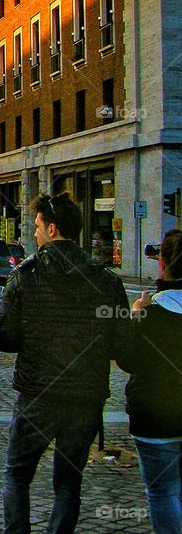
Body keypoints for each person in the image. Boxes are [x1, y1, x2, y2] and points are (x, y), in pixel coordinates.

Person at [0, 192, 131, 534]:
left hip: (38, 393)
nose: (34, 233)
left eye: (37, 226)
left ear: (52, 229)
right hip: (85, 397)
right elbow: (124, 348)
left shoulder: (26, 276)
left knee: (17, 474)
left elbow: (0, 337)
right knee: (69, 483)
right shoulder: (107, 280)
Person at [117, 229, 182, 534]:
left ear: (161, 265)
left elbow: (127, 360)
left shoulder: (149, 315)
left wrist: (135, 315)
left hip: (155, 420)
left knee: (162, 491)